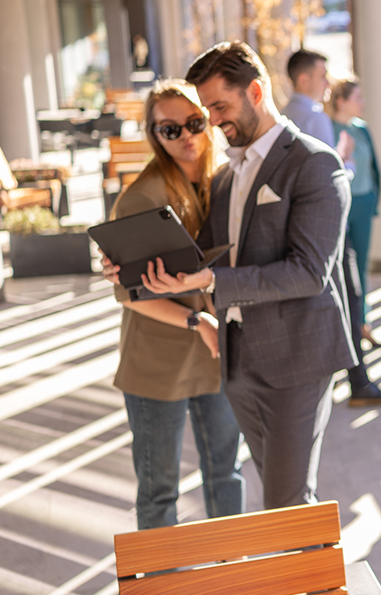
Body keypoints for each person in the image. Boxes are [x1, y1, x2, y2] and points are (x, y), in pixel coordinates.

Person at [127, 41, 356, 510]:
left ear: (255, 91)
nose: (211, 120)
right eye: (207, 108)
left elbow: (309, 273)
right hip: (238, 362)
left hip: (296, 361)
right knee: (278, 495)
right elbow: (200, 257)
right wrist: (127, 263)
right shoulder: (226, 176)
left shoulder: (314, 164)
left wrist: (213, 285)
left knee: (287, 501)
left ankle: (310, 582)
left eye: (218, 106)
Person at [108, 78, 243, 530]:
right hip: (157, 365)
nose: (186, 136)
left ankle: (234, 574)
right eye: (170, 129)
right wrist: (197, 320)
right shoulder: (142, 198)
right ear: (154, 135)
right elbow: (129, 293)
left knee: (226, 474)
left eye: (194, 122)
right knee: (159, 491)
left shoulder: (226, 181)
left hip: (215, 355)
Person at [282, 51, 381, 407]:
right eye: (322, 75)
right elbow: (328, 182)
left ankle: (343, 379)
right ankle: (358, 382)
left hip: (303, 229)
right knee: (349, 298)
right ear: (304, 80)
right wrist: (343, 161)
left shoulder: (286, 116)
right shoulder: (314, 119)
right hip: (329, 229)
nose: (327, 83)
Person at [326, 75, 381, 348]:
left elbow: (374, 166)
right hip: (342, 207)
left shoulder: (362, 128)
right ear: (342, 102)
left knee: (361, 266)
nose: (363, 103)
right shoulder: (327, 129)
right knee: (343, 270)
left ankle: (363, 323)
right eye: (357, 98)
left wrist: (375, 199)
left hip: (364, 203)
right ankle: (347, 326)